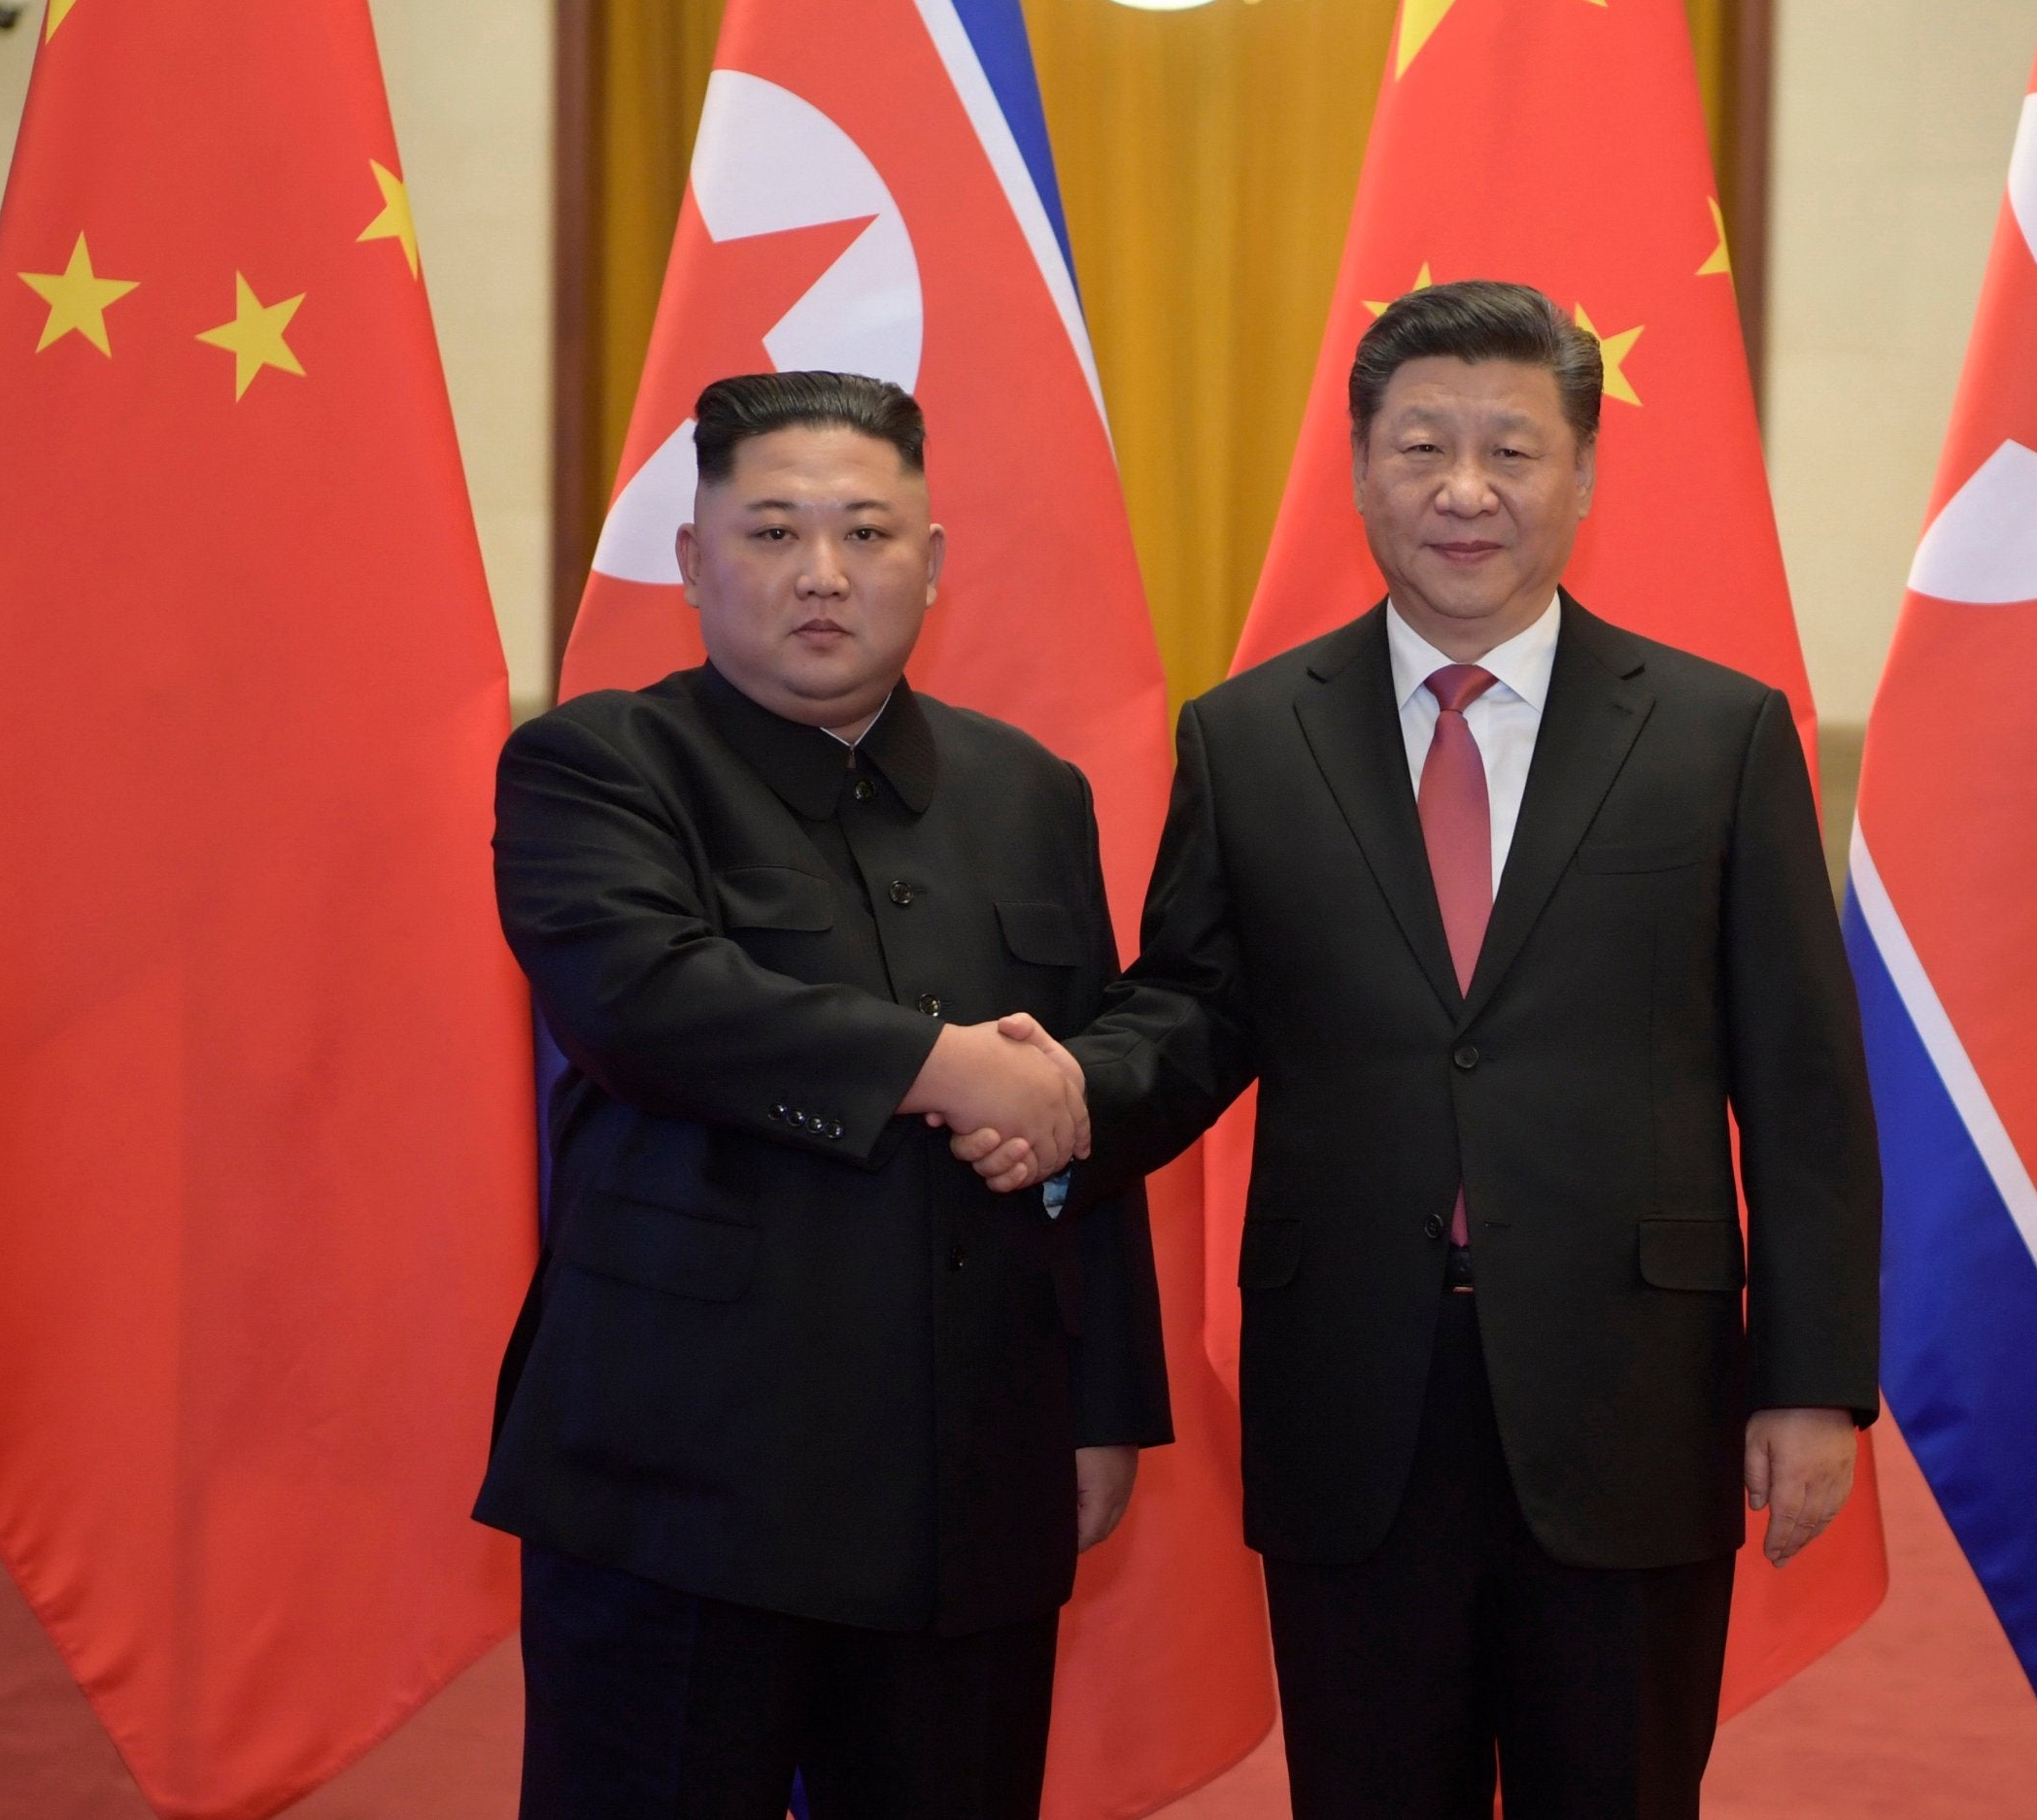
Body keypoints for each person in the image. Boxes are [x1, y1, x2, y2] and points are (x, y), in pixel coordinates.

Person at [959, 281, 1881, 1818]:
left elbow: (1802, 1084)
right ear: (1360, 466)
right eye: (1423, 446)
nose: (1466, 490)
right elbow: (1194, 1016)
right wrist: (1059, 1097)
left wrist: (1811, 1382)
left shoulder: (1719, 733)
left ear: (1582, 472)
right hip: (1353, 1388)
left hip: (1631, 1389)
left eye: (1512, 450)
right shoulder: (1249, 736)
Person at [474, 369, 1169, 1820]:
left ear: (934, 559)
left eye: (867, 532)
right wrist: (941, 1065)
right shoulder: (597, 765)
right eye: (775, 532)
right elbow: (645, 1002)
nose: (824, 575)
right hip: (678, 1479)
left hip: (967, 1482)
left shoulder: (1029, 789)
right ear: (693, 558)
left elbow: (1075, 1107)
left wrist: (1102, 1406)